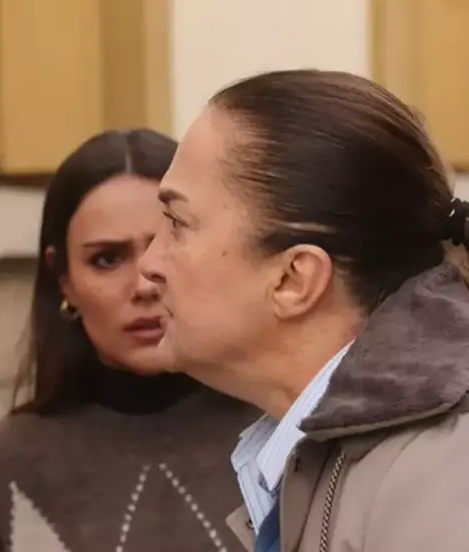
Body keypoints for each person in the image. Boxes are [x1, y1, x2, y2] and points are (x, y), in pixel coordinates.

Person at [139, 68, 469, 552]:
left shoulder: (436, 479)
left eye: (176, 223)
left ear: (294, 279)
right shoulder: (333, 458)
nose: (148, 264)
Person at [0, 129, 258, 552]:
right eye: (107, 259)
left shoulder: (284, 441)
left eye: (168, 245)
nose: (144, 284)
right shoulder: (1, 472)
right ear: (64, 278)